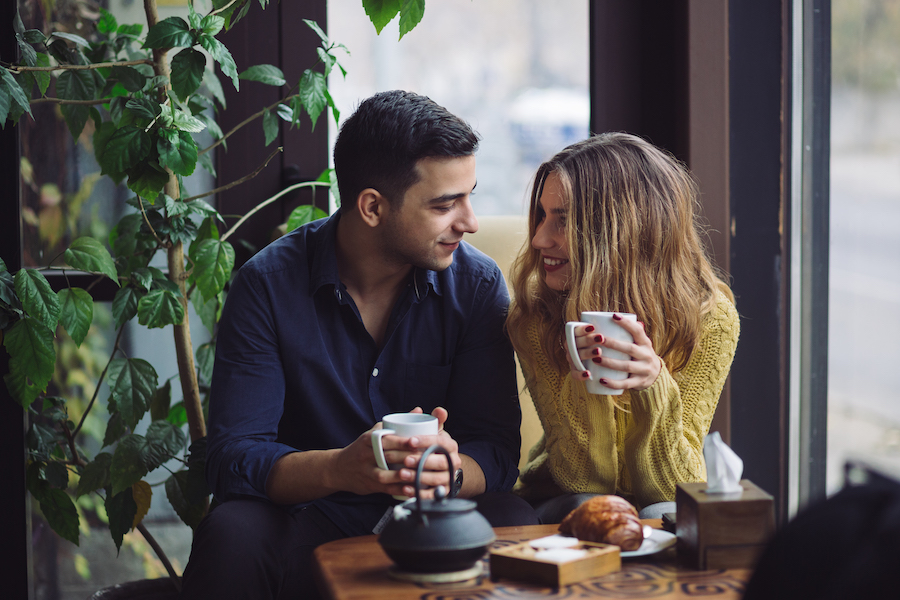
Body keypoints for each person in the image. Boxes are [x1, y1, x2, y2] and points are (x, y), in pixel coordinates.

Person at [181, 90, 537, 600]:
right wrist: (340, 468)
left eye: (469, 196)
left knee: (512, 516)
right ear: (372, 206)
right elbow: (235, 458)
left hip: (437, 515)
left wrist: (449, 469)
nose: (470, 222)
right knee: (233, 532)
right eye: (445, 204)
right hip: (308, 512)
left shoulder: (476, 286)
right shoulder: (267, 284)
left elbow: (497, 453)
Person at [506, 132, 740, 523]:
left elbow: (672, 491)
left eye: (562, 221)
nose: (539, 238)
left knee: (671, 517)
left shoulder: (711, 319)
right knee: (589, 508)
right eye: (542, 217)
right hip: (560, 498)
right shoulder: (535, 315)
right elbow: (583, 480)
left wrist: (653, 386)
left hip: (659, 499)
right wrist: (588, 378)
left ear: (621, 231)